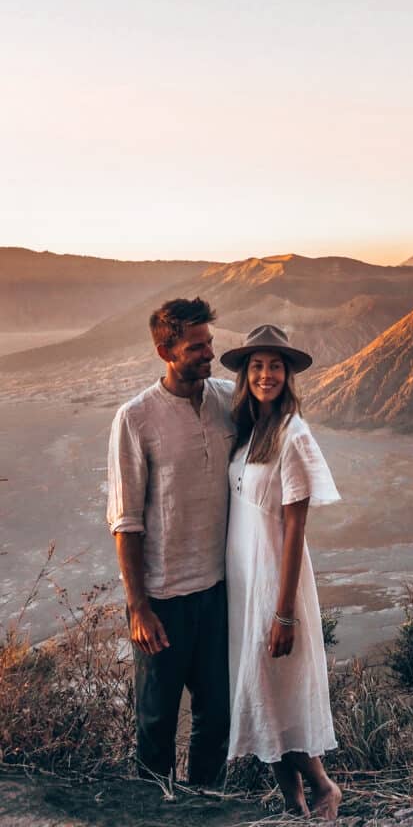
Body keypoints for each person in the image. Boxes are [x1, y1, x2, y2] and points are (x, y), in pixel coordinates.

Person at [107, 297, 234, 786]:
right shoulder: (136, 418)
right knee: (156, 724)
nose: (209, 354)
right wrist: (138, 606)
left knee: (216, 718)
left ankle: (203, 809)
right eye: (197, 347)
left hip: (218, 592)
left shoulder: (226, 399)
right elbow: (126, 521)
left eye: (210, 343)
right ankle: (153, 812)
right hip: (163, 599)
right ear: (166, 350)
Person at [220, 324, 342, 819]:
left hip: (277, 584)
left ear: (287, 374)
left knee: (278, 691)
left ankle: (322, 787)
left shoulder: (294, 434)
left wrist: (285, 613)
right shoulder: (248, 431)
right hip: (244, 584)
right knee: (260, 690)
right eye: (256, 365)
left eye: (274, 365)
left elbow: (296, 528)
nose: (265, 374)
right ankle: (292, 801)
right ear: (245, 375)